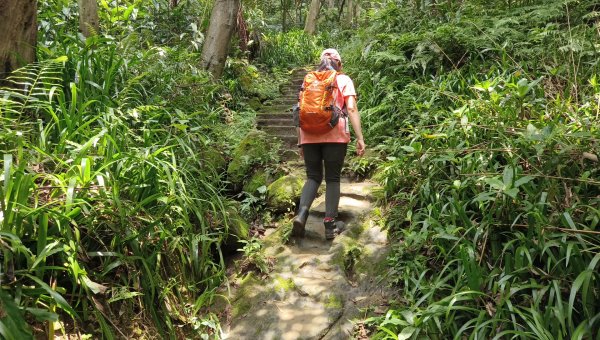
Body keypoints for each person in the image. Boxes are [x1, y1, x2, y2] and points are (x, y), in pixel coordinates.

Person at [292, 48, 366, 240]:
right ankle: (330, 225)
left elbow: (300, 112)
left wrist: (300, 142)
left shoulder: (308, 80)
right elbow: (350, 107)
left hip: (308, 136)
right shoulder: (343, 79)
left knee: (313, 177)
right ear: (338, 64)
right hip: (335, 135)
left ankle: (301, 215)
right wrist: (360, 138)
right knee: (332, 178)